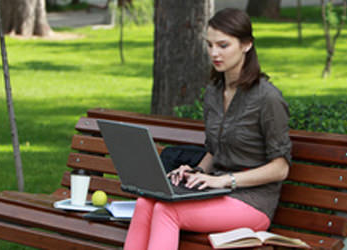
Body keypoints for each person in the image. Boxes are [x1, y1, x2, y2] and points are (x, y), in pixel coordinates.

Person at [123, 8, 292, 250]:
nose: (214, 53)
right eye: (210, 45)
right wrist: (193, 171)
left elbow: (280, 168)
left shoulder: (267, 98)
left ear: (246, 45)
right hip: (215, 193)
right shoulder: (214, 93)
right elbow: (214, 152)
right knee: (144, 203)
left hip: (253, 203)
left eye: (223, 45)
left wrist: (225, 181)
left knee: (167, 210)